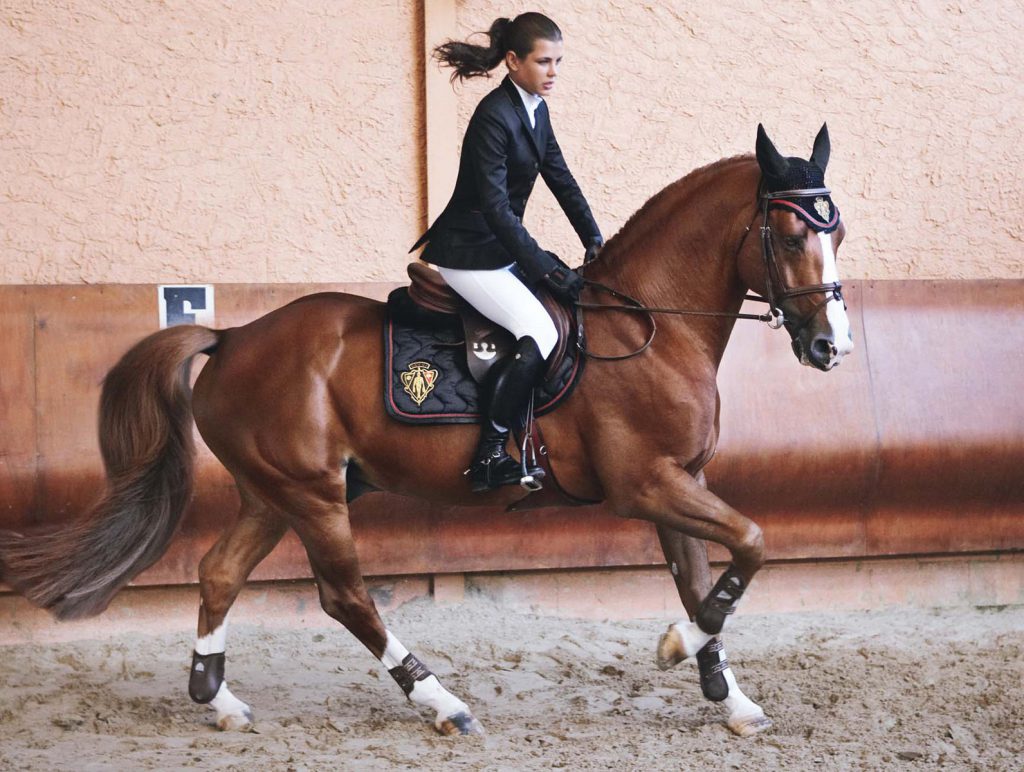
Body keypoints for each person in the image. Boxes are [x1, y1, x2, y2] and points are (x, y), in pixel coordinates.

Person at [410, 12, 603, 493]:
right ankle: (490, 454)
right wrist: (544, 266)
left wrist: (594, 239)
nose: (553, 71)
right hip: (469, 252)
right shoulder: (493, 116)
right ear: (513, 61)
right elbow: (496, 209)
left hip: (498, 248)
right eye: (543, 61)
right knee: (538, 329)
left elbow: (561, 178)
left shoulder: (536, 109)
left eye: (558, 61)